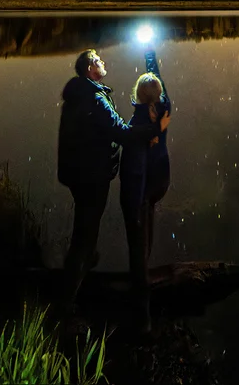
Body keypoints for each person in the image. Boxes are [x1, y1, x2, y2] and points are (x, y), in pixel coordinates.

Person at [57, 48, 169, 311]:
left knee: (85, 232)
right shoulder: (95, 99)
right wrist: (153, 129)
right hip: (92, 176)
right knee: (85, 237)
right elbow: (120, 132)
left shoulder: (78, 95)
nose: (102, 62)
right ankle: (65, 302)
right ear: (89, 69)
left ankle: (78, 279)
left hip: (79, 174)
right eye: (98, 61)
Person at [119, 48, 171, 328]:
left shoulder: (137, 124)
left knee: (137, 242)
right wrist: (150, 55)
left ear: (137, 95)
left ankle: (142, 314)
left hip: (142, 188)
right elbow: (163, 91)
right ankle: (145, 283)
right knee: (147, 233)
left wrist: (132, 203)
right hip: (159, 182)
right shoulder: (164, 112)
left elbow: (135, 168)